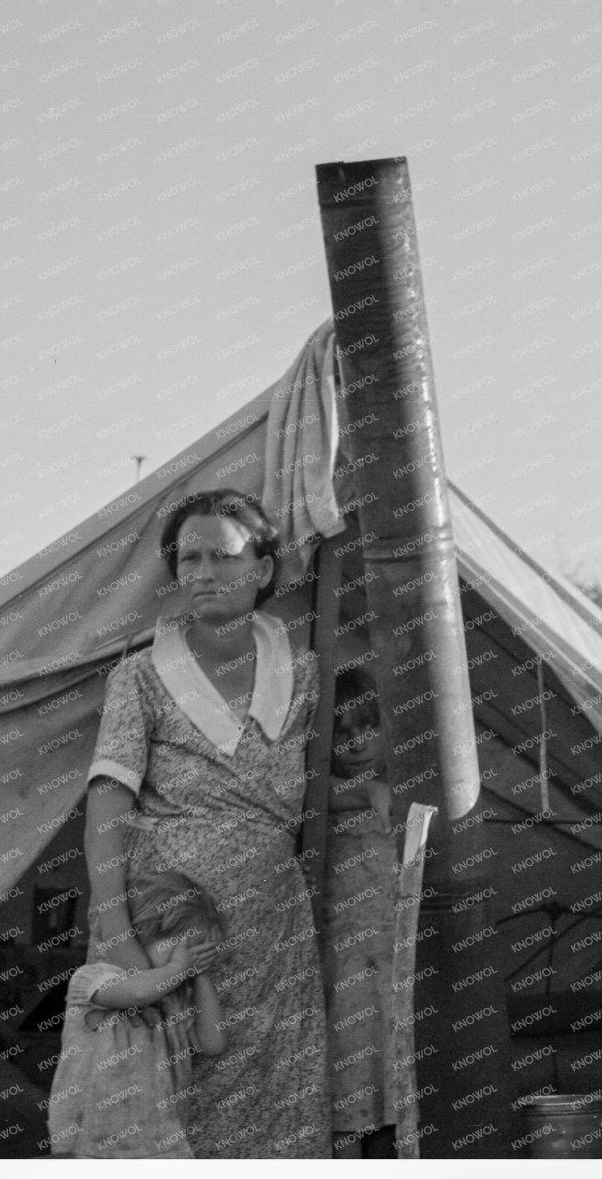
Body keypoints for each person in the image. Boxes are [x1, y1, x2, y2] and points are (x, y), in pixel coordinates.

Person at [82, 489, 329, 1157]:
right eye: (188, 558)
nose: (201, 572)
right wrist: (116, 931)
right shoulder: (141, 676)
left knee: (276, 1096)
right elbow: (107, 804)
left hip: (273, 928)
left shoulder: (306, 675)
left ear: (265, 569)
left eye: (222, 556)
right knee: (169, 1098)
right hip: (167, 925)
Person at [47, 871, 229, 1157]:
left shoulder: (176, 1000)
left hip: (159, 1144)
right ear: (143, 931)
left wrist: (201, 976)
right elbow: (138, 993)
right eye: (183, 945)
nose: (189, 956)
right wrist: (179, 967)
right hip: (88, 1143)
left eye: (197, 950)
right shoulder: (92, 978)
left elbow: (213, 1043)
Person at [320, 665, 398, 1156]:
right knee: (346, 1055)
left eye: (368, 727)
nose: (356, 742)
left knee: (392, 1062)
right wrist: (367, 793)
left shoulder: (406, 787)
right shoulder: (321, 791)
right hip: (342, 953)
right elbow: (321, 795)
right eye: (342, 733)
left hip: (391, 950)